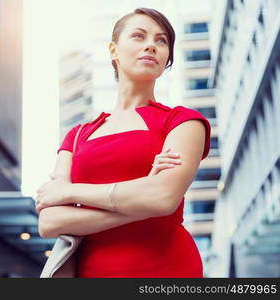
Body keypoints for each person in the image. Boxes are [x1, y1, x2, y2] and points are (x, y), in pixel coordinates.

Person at [35, 7, 211, 278]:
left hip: (168, 269)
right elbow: (49, 221)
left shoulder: (184, 122)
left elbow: (162, 198)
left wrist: (71, 192)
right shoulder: (78, 135)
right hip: (91, 272)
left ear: (167, 59)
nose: (151, 45)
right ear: (114, 50)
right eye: (139, 36)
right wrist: (141, 204)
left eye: (161, 41)